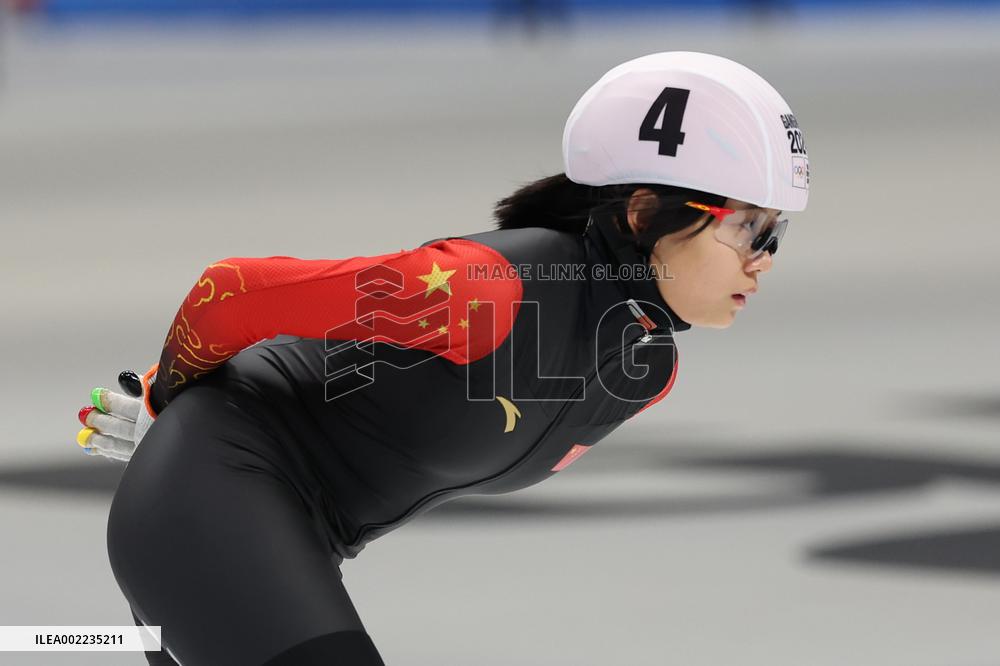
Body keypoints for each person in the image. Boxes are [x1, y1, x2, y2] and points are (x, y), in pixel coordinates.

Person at [75, 51, 809, 665]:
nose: (764, 261)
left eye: (776, 234)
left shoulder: (645, 369)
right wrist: (165, 402)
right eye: (748, 227)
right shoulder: (483, 290)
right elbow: (232, 292)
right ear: (645, 213)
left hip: (279, 540)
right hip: (211, 495)